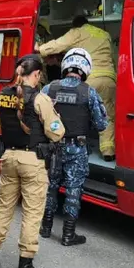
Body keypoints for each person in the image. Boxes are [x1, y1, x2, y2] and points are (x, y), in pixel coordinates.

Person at [0, 54, 65, 268]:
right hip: (32, 161)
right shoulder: (40, 99)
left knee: (3, 208)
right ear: (37, 74)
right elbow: (56, 132)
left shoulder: (2, 96)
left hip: (8, 157)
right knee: (31, 213)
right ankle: (25, 267)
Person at [40, 48, 108, 245]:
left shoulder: (49, 89)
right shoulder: (89, 92)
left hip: (53, 147)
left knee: (51, 186)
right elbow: (102, 124)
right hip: (76, 149)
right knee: (73, 189)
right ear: (85, 68)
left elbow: (39, 116)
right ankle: (68, 235)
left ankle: (45, 227)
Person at [36, 15, 117, 162]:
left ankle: (78, 147)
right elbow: (114, 57)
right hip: (109, 78)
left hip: (90, 78)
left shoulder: (78, 32)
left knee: (79, 112)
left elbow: (58, 44)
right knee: (108, 114)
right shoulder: (105, 35)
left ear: (75, 26)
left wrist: (40, 49)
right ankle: (108, 151)